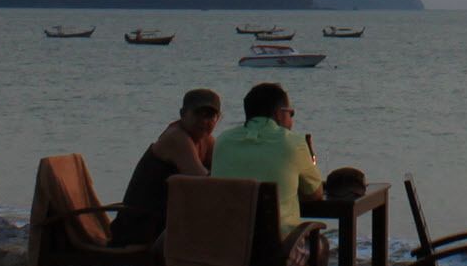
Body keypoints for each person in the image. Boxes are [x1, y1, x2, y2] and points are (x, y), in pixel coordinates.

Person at [111, 87, 222, 247]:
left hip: (165, 222)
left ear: (218, 118)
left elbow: (222, 174)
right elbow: (205, 182)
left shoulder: (206, 140)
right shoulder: (176, 137)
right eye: (198, 113)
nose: (204, 121)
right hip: (140, 228)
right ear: (183, 114)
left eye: (210, 115)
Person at [209, 80, 324, 227]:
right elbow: (315, 194)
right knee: (320, 239)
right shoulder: (293, 143)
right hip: (278, 240)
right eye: (291, 113)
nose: (291, 120)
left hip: (230, 237)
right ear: (279, 114)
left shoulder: (223, 141)